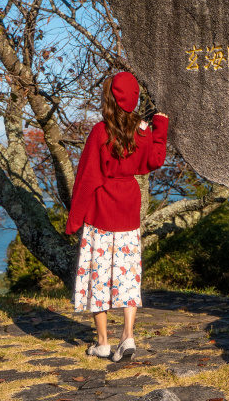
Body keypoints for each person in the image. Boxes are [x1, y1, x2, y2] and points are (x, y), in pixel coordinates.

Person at [66, 71, 167, 362]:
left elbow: (86, 178)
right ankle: (128, 336)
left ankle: (103, 343)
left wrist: (74, 220)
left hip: (101, 211)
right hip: (128, 210)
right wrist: (160, 126)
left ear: (110, 98)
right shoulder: (143, 130)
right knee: (128, 273)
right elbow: (155, 160)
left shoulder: (101, 131)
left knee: (98, 276)